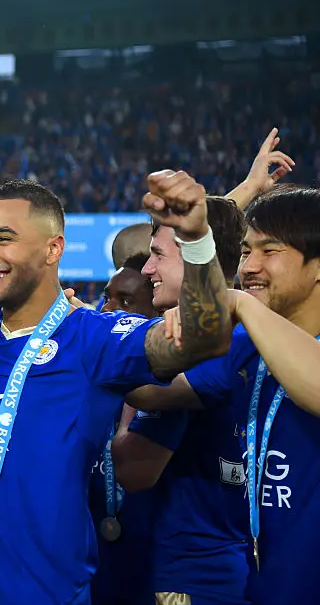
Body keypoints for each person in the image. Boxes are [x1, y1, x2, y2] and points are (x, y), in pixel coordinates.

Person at [0, 102, 233, 604]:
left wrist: (196, 240)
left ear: (53, 249)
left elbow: (205, 337)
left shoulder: (96, 340)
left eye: (3, 239)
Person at [129, 186, 320, 605]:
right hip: (256, 588)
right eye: (246, 251)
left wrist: (239, 304)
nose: (248, 266)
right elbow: (148, 389)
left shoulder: (247, 322)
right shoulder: (243, 345)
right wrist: (75, 332)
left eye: (268, 251)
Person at [113, 196, 252, 605]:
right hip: (206, 566)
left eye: (157, 256)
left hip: (193, 580)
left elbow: (133, 468)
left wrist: (78, 341)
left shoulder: (221, 341)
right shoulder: (237, 329)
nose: (148, 269)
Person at [89, 254, 159, 605]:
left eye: (126, 302)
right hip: (89, 574)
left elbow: (133, 473)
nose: (108, 309)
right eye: (107, 296)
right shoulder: (86, 380)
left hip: (149, 577)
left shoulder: (167, 393)